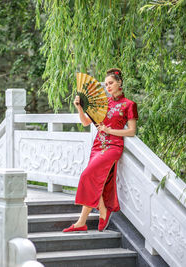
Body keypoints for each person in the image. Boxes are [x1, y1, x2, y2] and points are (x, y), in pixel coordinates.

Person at [63, 68, 138, 232]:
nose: (108, 86)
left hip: (113, 147)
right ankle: (84, 222)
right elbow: (85, 123)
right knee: (93, 180)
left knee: (86, 176)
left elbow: (131, 131)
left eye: (111, 83)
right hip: (97, 145)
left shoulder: (129, 105)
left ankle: (96, 214)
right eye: (106, 84)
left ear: (119, 83)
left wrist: (110, 131)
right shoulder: (103, 103)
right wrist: (79, 108)